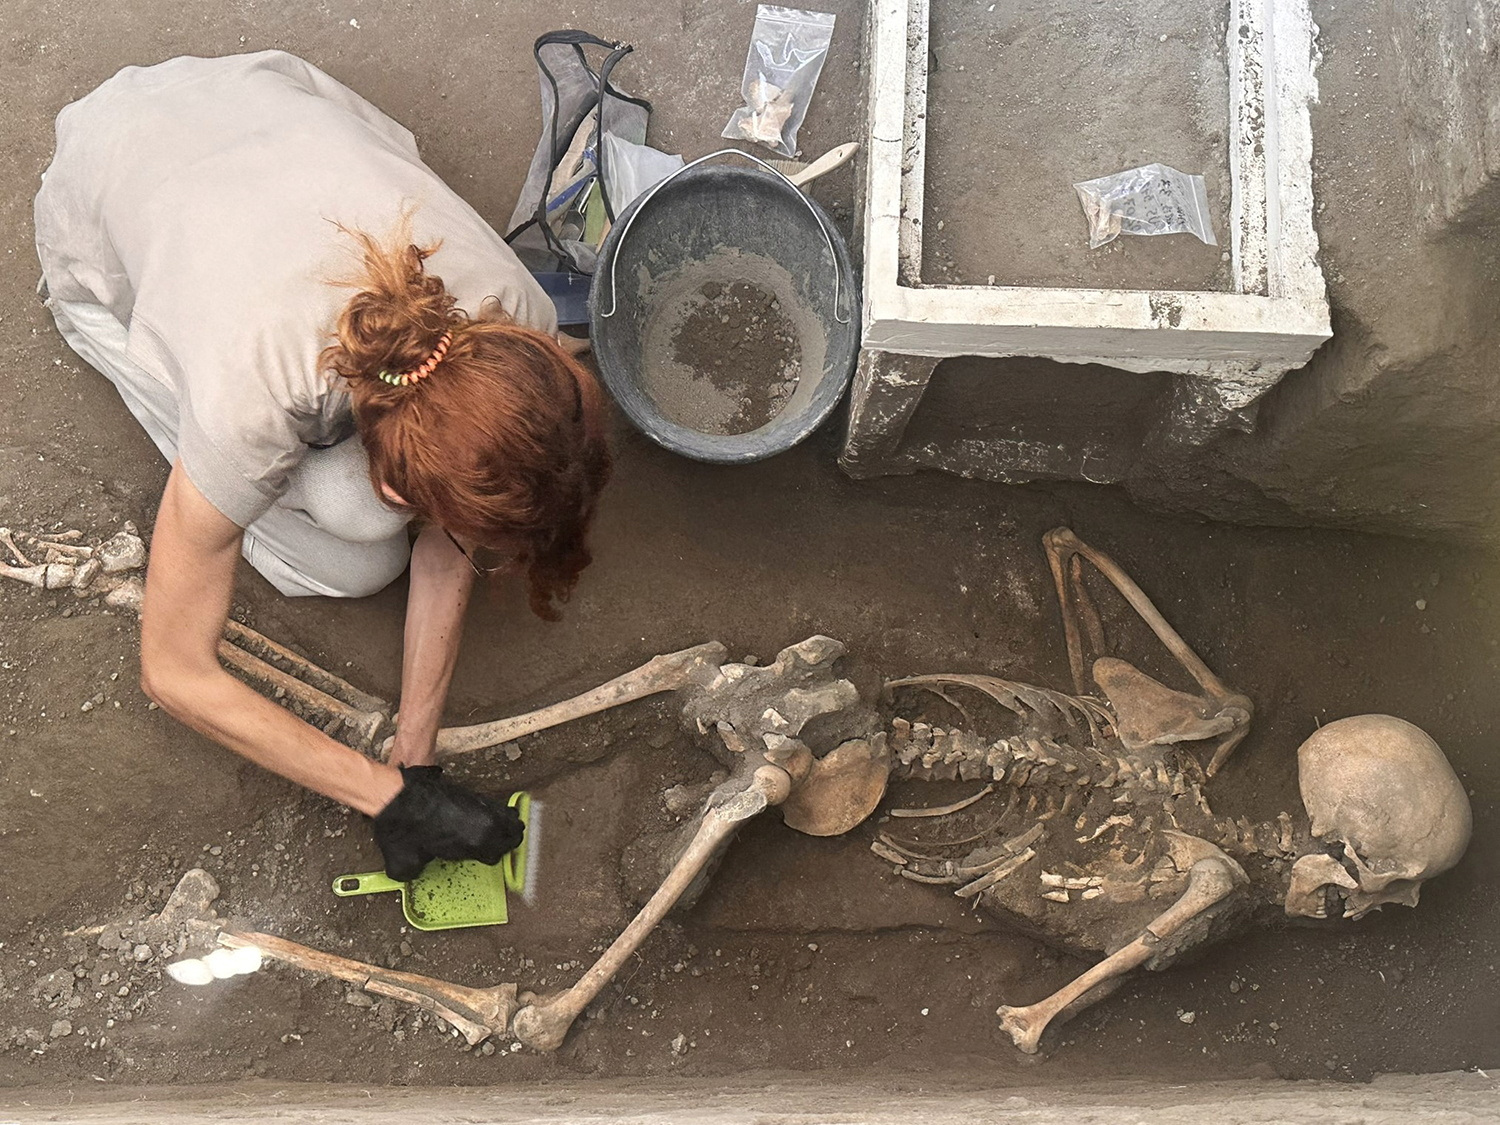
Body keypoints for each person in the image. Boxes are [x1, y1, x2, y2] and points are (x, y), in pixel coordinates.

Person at [33, 51, 612, 880]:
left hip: (240, 94)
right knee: (355, 554)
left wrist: (418, 756)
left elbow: (454, 527)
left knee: (378, 528)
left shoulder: (512, 320)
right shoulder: (253, 393)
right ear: (394, 474)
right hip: (98, 204)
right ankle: (148, 376)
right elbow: (173, 669)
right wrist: (386, 797)